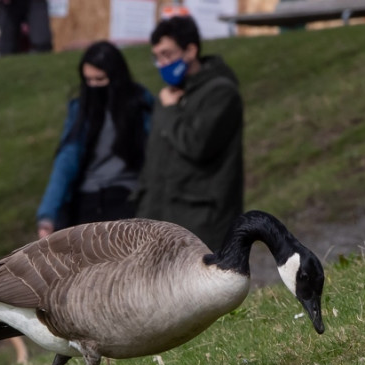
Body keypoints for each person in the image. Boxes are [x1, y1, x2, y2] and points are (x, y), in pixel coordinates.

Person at [136, 16, 244, 251]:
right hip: (158, 218)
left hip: (200, 222)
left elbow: (197, 145)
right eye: (157, 57)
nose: (162, 63)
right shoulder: (171, 95)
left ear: (190, 50)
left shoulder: (220, 93)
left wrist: (169, 110)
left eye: (167, 54)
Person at [36, 41, 154, 238]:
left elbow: (155, 155)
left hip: (126, 197)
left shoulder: (140, 104)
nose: (93, 86)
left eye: (100, 79)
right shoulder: (81, 110)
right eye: (88, 80)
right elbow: (66, 160)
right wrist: (47, 215)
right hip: (86, 200)